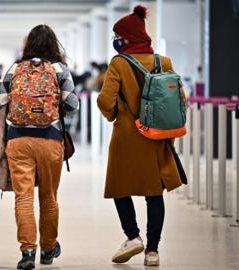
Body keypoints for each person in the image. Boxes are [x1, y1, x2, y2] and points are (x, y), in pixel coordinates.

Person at [97, 6, 183, 266]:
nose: (116, 40)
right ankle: (153, 251)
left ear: (127, 37)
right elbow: (179, 98)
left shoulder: (119, 64)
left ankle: (132, 237)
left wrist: (114, 115)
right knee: (153, 193)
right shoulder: (163, 62)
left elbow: (105, 100)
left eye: (118, 35)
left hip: (127, 136)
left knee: (119, 187)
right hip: (157, 137)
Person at [0, 25, 79, 270]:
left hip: (18, 140)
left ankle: (27, 251)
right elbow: (72, 105)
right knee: (49, 197)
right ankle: (49, 248)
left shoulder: (16, 68)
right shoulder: (59, 69)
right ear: (54, 44)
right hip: (50, 139)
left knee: (23, 197)